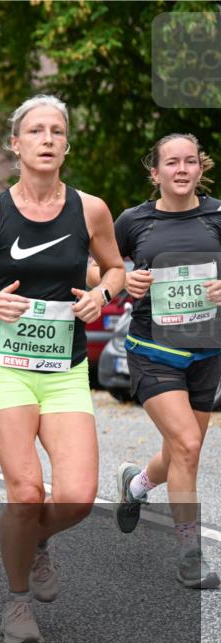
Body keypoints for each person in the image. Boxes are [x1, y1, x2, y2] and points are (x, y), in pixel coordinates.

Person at [0, 94, 125, 643]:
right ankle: (17, 604)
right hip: (8, 367)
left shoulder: (90, 209)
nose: (47, 139)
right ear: (15, 144)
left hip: (65, 367)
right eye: (36, 131)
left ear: (66, 145)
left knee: (77, 496)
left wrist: (102, 295)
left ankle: (36, 542)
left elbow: (116, 269)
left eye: (57, 131)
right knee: (25, 492)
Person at [96, 133, 221, 589]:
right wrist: (127, 280)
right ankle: (190, 554)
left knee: (181, 452)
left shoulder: (217, 215)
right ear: (156, 173)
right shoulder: (133, 221)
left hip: (208, 350)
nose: (182, 169)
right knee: (187, 444)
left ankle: (135, 486)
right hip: (154, 351)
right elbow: (98, 269)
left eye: (190, 161)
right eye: (172, 162)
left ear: (200, 169)